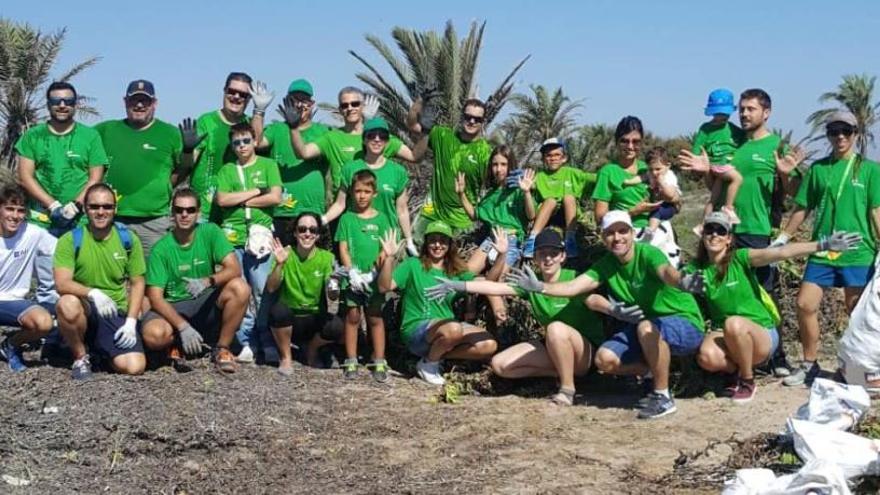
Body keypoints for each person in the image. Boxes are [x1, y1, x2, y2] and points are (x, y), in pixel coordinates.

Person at [507, 211, 705, 419]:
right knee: (604, 359)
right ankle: (651, 373)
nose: (617, 237)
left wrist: (682, 281)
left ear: (632, 233)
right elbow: (575, 286)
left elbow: (666, 272)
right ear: (603, 237)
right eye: (610, 233)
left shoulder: (648, 253)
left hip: (684, 323)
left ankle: (662, 396)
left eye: (622, 231)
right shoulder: (606, 265)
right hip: (646, 328)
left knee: (646, 327)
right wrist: (539, 287)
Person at [687, 212, 861, 402]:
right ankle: (735, 371)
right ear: (702, 235)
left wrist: (823, 245)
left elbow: (780, 252)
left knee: (734, 324)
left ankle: (747, 380)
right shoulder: (696, 268)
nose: (714, 235)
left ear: (729, 239)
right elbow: (670, 279)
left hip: (760, 333)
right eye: (709, 230)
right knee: (706, 357)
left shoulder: (740, 258)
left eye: (721, 231)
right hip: (724, 332)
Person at [427, 228, 604, 406]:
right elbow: (495, 288)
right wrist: (457, 285)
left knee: (555, 328)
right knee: (500, 365)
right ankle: (564, 371)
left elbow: (593, 299)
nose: (548, 259)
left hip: (585, 352)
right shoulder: (530, 282)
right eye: (542, 254)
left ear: (562, 257)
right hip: (554, 347)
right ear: (535, 258)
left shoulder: (574, 278)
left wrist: (611, 308)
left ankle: (567, 389)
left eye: (554, 254)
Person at [774, 111, 880, 387]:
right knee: (804, 304)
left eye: (846, 131)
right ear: (828, 135)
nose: (840, 137)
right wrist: (784, 238)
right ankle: (810, 364)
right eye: (834, 131)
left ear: (856, 134)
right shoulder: (818, 169)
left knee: (855, 311)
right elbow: (802, 207)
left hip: (858, 252)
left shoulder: (869, 170)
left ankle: (857, 368)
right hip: (824, 251)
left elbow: (876, 212)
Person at [141, 188, 250, 373]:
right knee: (154, 335)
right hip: (173, 305)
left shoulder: (210, 232)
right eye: (179, 210)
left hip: (202, 300)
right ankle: (174, 343)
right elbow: (155, 297)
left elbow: (234, 268)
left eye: (190, 210)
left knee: (240, 287)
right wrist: (182, 327)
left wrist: (207, 281)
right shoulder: (161, 249)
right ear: (172, 213)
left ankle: (222, 348)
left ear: (198, 213)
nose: (185, 214)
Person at [16, 81, 107, 304]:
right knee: (48, 283)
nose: (63, 105)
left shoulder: (90, 136)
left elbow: (95, 176)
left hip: (80, 220)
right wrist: (53, 205)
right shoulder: (33, 136)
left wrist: (75, 205)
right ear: (49, 104)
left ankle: (80, 327)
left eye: (68, 101)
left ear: (76, 104)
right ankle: (49, 330)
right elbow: (25, 176)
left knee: (81, 276)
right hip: (45, 221)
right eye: (57, 101)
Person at [378, 221, 498, 386]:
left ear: (449, 245)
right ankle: (429, 365)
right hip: (416, 331)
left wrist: (503, 255)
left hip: (447, 333)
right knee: (453, 329)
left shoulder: (455, 271)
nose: (437, 245)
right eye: (433, 240)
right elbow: (384, 287)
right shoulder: (413, 265)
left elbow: (488, 282)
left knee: (488, 345)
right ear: (426, 243)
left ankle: (434, 356)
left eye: (442, 241)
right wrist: (389, 258)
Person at [285, 87, 418, 228]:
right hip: (341, 212)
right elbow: (303, 153)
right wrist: (293, 128)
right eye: (345, 105)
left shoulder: (378, 138)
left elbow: (414, 156)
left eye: (355, 104)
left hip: (376, 213)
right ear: (340, 109)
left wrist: (423, 125)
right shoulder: (332, 138)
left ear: (363, 106)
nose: (350, 108)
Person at [53, 183, 147, 380]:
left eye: (107, 206)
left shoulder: (128, 239)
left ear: (115, 209)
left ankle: (99, 350)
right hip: (86, 307)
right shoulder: (70, 240)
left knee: (134, 367)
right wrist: (93, 293)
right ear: (86, 209)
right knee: (67, 304)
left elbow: (138, 282)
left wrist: (130, 321)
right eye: (94, 207)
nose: (101, 212)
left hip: (115, 309)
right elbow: (62, 283)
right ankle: (80, 356)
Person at [96, 80, 193, 257]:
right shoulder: (106, 130)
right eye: (134, 100)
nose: (139, 105)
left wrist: (188, 150)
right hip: (112, 218)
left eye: (145, 100)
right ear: (125, 101)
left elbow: (185, 168)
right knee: (112, 275)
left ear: (154, 103)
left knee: (153, 277)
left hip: (154, 222)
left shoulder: (170, 133)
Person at [214, 122, 282, 363]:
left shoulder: (268, 165)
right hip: (232, 238)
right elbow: (222, 199)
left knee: (263, 291)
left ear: (255, 141)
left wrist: (241, 201)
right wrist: (255, 192)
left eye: (245, 141)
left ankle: (265, 336)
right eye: (236, 142)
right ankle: (244, 341)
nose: (241, 146)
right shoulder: (226, 171)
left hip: (260, 237)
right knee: (239, 291)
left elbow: (275, 196)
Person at [266, 212, 345, 375]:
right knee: (277, 311)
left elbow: (332, 295)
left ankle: (312, 350)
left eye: (312, 230)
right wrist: (279, 264)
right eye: (302, 229)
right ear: (295, 233)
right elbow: (271, 288)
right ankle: (286, 357)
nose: (307, 234)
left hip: (314, 317)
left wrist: (334, 283)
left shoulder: (327, 258)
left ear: (317, 235)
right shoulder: (285, 253)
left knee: (336, 326)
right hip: (290, 320)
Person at [334, 170, 394, 382]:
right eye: (357, 191)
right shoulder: (347, 219)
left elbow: (386, 248)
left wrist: (373, 274)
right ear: (351, 192)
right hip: (353, 278)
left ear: (374, 194)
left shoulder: (383, 219)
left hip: (374, 278)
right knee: (352, 316)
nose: (361, 196)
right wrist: (351, 272)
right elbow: (343, 247)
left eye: (366, 191)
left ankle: (378, 359)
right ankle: (351, 358)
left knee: (375, 317)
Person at [255, 79, 330, 246]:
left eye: (304, 100)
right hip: (281, 213)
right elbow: (257, 143)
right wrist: (259, 111)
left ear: (311, 104)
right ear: (287, 101)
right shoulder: (277, 129)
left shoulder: (323, 132)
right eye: (294, 99)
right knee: (280, 266)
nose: (299, 104)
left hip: (312, 213)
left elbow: (304, 153)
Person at [190, 72, 274, 218]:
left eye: (243, 94)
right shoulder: (206, 121)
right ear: (224, 91)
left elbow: (258, 144)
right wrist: (186, 150)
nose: (236, 97)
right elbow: (189, 162)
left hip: (236, 212)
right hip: (204, 210)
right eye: (232, 91)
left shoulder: (249, 124)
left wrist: (259, 111)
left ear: (249, 99)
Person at [407, 97, 493, 237]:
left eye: (477, 119)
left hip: (461, 221)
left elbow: (495, 186)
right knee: (415, 254)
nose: (472, 121)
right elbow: (412, 125)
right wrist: (420, 101)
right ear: (462, 117)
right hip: (432, 212)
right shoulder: (443, 136)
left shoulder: (486, 153)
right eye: (468, 117)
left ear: (483, 122)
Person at [323, 118, 413, 245]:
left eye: (382, 136)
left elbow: (402, 210)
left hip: (387, 240)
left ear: (387, 141)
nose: (377, 139)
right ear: (364, 140)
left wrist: (409, 240)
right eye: (371, 135)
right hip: (356, 237)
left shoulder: (398, 172)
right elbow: (340, 204)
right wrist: (321, 220)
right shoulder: (350, 169)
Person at [0, 185, 56, 372]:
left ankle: (10, 345)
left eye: (21, 210)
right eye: (9, 209)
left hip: (14, 302)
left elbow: (64, 251)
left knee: (44, 322)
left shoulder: (33, 233)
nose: (15, 216)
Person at [524, 138, 595, 258]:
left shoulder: (572, 173)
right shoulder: (539, 177)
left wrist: (615, 174)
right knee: (550, 200)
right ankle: (532, 239)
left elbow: (597, 178)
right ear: (543, 159)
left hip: (568, 216)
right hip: (547, 216)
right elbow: (527, 188)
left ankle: (570, 239)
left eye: (557, 155)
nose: (553, 158)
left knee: (569, 197)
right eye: (549, 155)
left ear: (564, 158)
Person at [692, 88, 745, 225]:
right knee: (737, 178)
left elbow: (746, 141)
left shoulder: (734, 130)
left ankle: (703, 224)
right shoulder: (706, 129)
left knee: (713, 199)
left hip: (720, 169)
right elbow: (696, 151)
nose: (722, 116)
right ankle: (728, 208)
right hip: (719, 166)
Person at [592, 116, 653, 232]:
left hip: (653, 230)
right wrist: (632, 212)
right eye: (624, 141)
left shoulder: (649, 168)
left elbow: (675, 205)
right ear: (617, 142)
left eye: (635, 142)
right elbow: (600, 218)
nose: (630, 147)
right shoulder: (608, 172)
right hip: (623, 234)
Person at [622, 147, 681, 243]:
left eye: (658, 169)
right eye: (651, 169)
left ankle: (650, 232)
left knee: (656, 212)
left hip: (669, 206)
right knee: (654, 211)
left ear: (668, 166)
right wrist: (629, 181)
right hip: (658, 203)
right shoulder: (650, 174)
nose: (654, 173)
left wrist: (661, 182)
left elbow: (670, 195)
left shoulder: (669, 177)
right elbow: (641, 177)